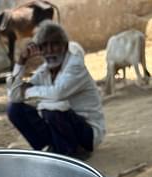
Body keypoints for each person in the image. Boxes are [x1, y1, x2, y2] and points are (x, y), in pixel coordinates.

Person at [6, 21, 105, 160]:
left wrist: (28, 91)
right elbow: (14, 96)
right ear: (39, 50)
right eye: (44, 46)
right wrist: (21, 61)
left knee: (52, 107)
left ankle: (74, 152)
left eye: (55, 44)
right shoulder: (44, 71)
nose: (50, 50)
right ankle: (49, 148)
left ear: (64, 46)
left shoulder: (75, 65)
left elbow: (58, 93)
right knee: (14, 109)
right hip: (61, 128)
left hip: (87, 134)